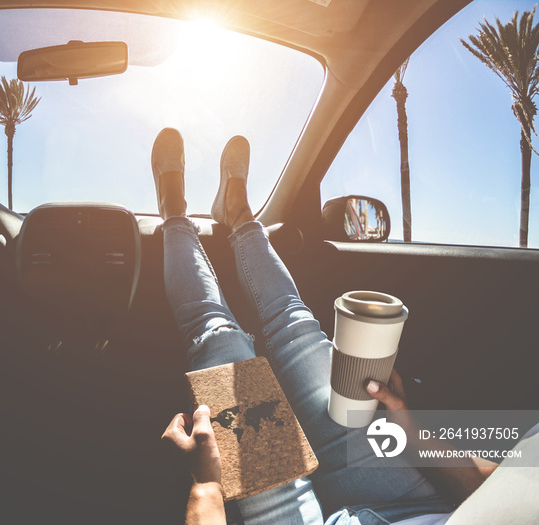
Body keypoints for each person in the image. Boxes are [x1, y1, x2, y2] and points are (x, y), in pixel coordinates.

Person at [152, 128, 505, 525]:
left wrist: (206, 488)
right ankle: (238, 216)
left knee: (219, 340)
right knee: (295, 322)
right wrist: (410, 428)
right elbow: (499, 493)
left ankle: (173, 212)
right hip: (414, 503)